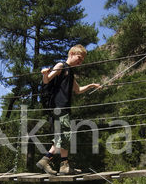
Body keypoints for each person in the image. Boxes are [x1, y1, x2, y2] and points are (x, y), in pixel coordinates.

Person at [36, 44, 101, 175]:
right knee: (66, 135)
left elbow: (77, 90)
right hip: (59, 107)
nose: (80, 61)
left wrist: (91, 85)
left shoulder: (70, 72)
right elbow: (47, 80)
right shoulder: (61, 66)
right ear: (71, 54)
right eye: (79, 58)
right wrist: (44, 73)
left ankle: (46, 161)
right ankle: (62, 165)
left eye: (82, 60)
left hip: (62, 108)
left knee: (61, 136)